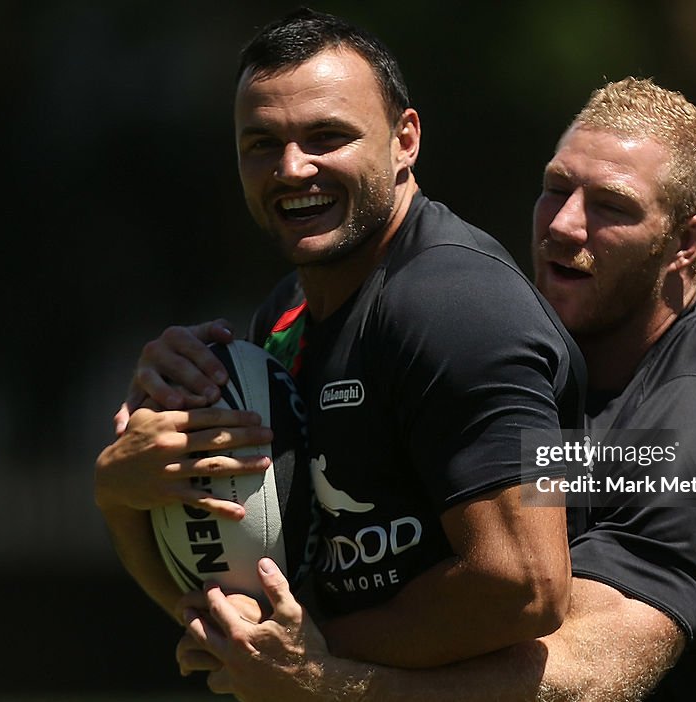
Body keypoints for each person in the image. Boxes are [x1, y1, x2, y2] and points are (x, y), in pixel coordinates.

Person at [150, 78, 696, 700]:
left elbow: (587, 673)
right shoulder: (501, 360)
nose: (564, 226)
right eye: (556, 188)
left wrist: (327, 678)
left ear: (687, 242)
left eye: (613, 207)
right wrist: (135, 470)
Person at [95, 7, 586, 670]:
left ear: (404, 139)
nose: (292, 169)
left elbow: (524, 589)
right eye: (261, 143)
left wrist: (310, 661)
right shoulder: (283, 316)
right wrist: (124, 489)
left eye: (326, 136)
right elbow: (243, 622)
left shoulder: (458, 306)